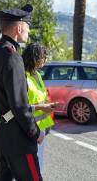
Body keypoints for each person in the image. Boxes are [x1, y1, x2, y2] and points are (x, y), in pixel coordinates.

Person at [0, 4, 52, 181]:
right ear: (19, 27)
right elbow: (19, 105)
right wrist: (36, 132)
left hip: (1, 135)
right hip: (18, 141)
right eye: (28, 28)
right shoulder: (12, 56)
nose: (28, 33)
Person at [22, 43, 56, 172]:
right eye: (43, 56)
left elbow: (41, 96)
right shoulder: (23, 77)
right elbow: (20, 107)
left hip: (42, 127)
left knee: (38, 162)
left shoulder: (37, 75)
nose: (45, 59)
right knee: (31, 167)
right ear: (35, 58)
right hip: (31, 128)